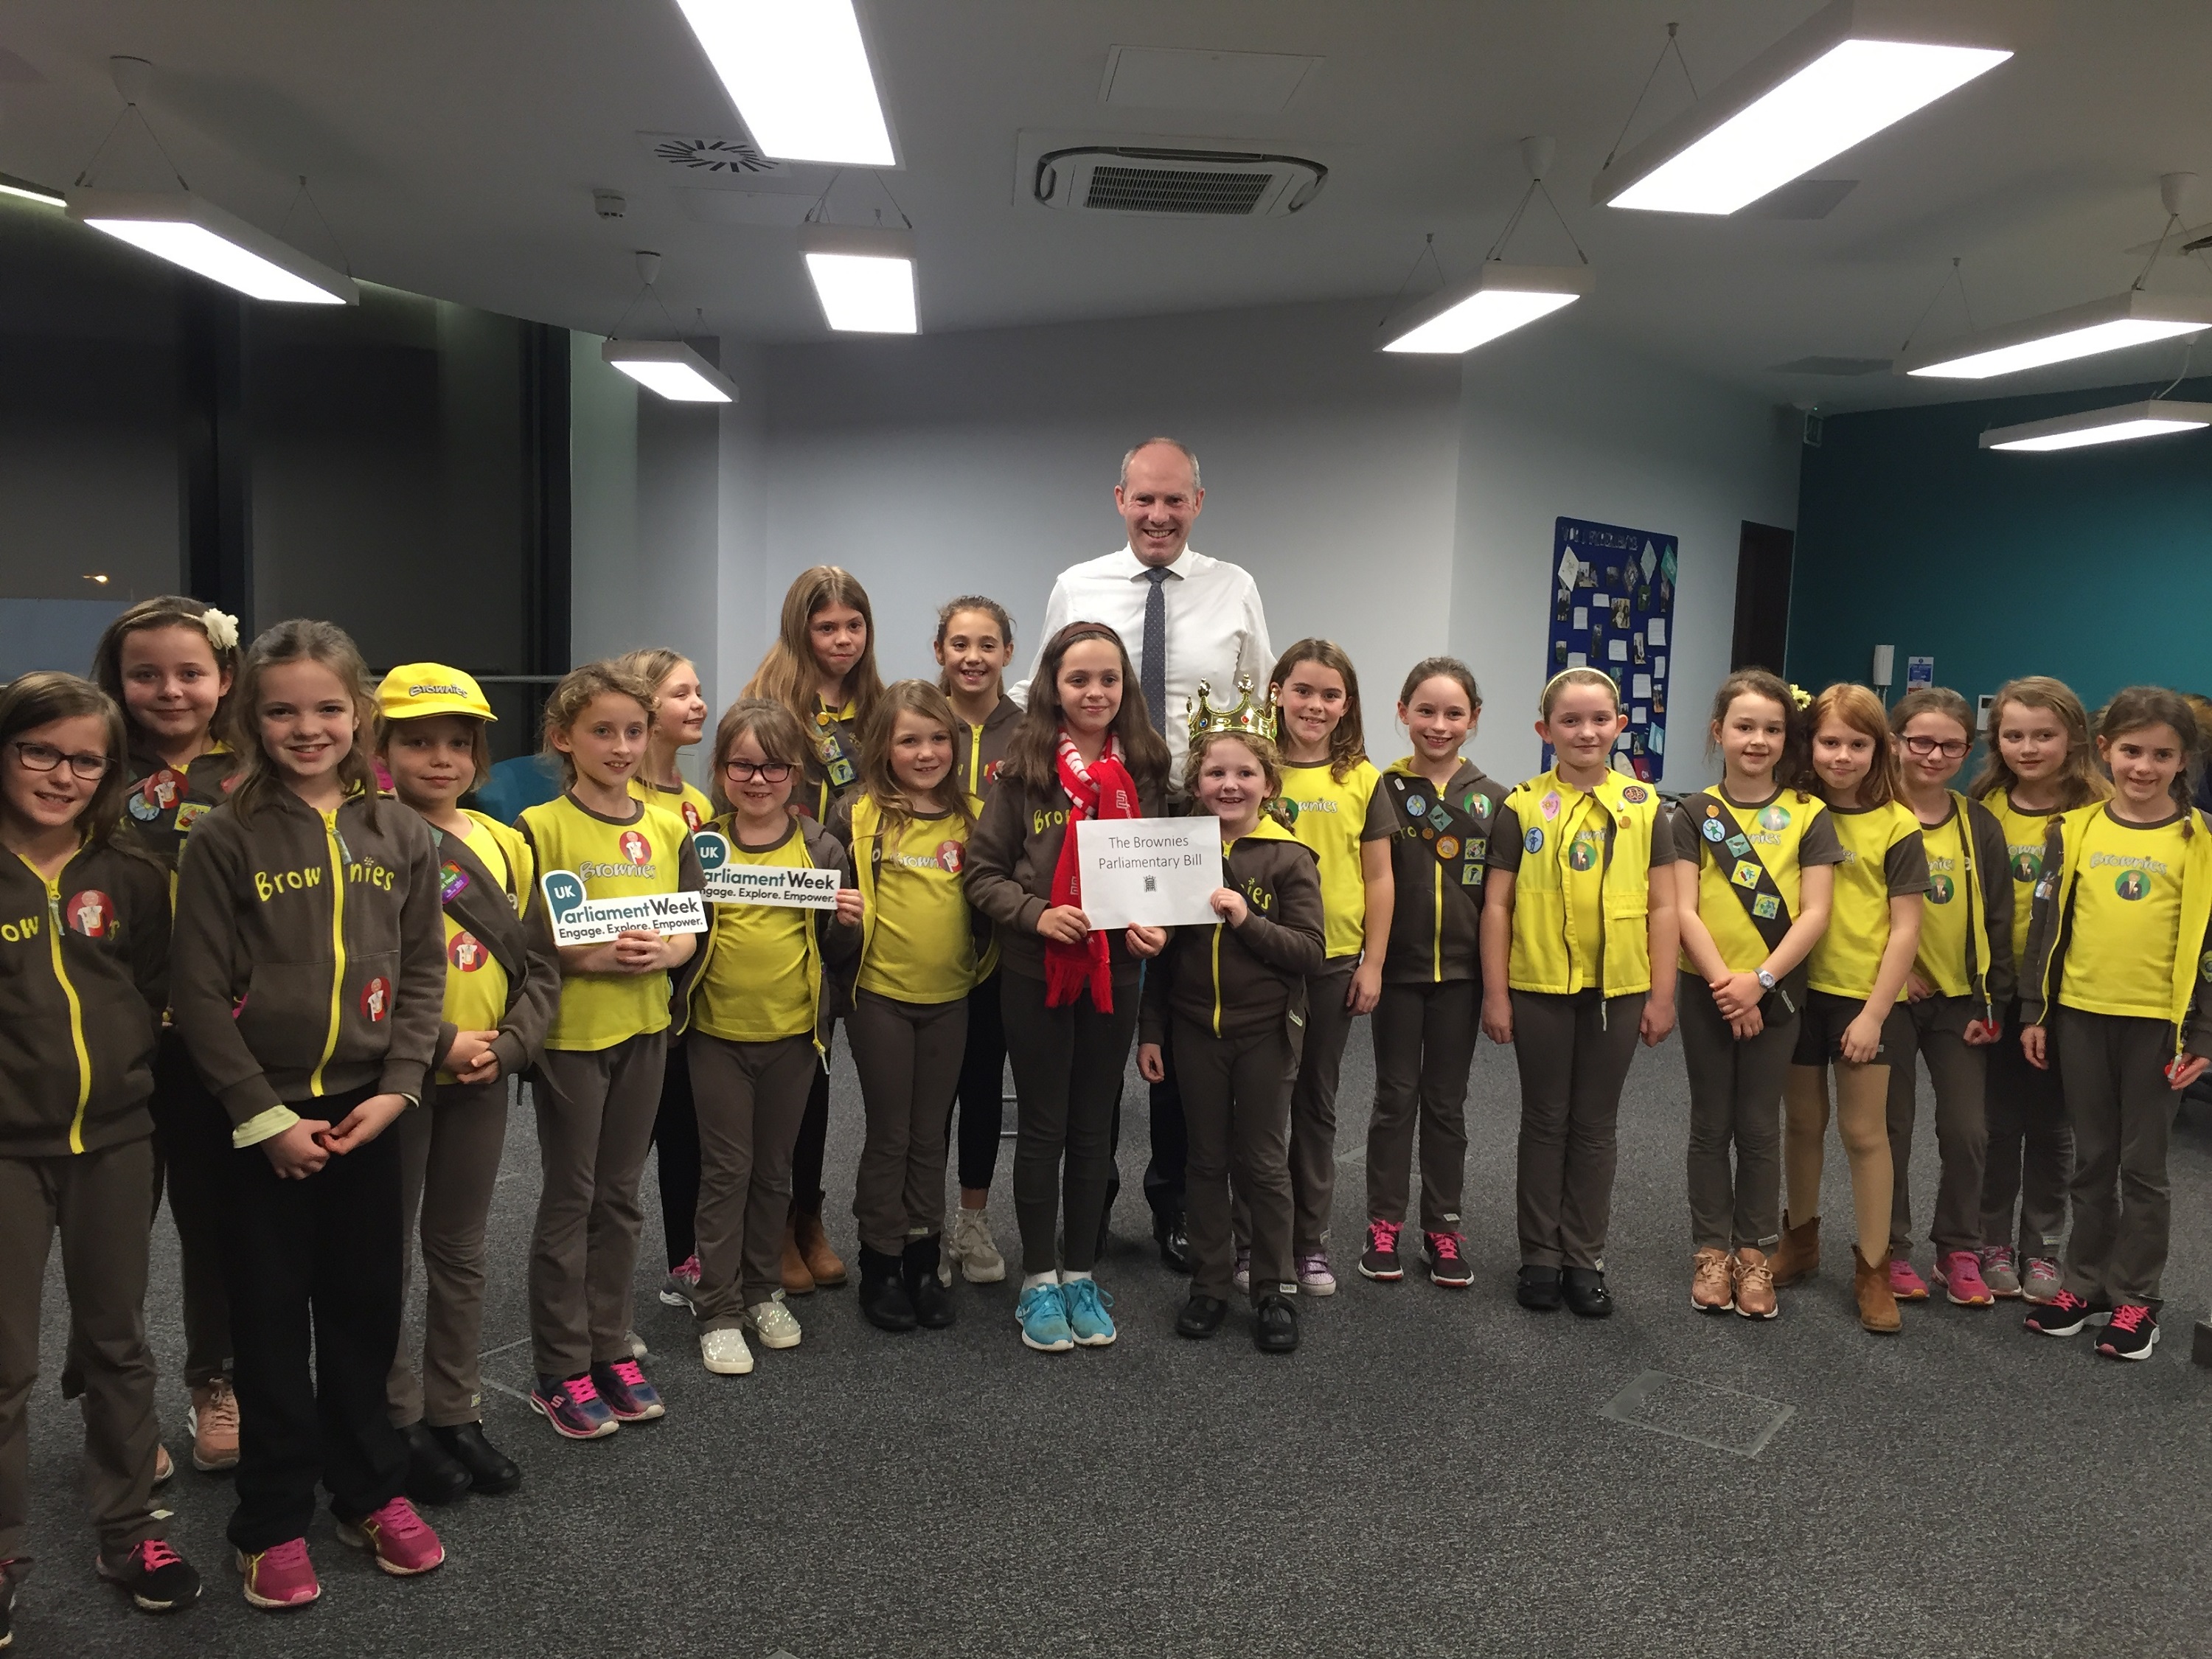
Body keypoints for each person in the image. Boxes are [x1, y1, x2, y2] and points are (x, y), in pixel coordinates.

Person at [170, 620, 448, 1610]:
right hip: (260, 1120)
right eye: (282, 708)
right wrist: (262, 1117)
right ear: (252, 716)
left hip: (372, 1107)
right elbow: (197, 994)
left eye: (328, 706)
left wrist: (400, 1086)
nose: (307, 725)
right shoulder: (223, 836)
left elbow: (424, 972)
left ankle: (367, 1489)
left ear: (359, 715)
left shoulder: (401, 832)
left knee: (368, 1306)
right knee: (271, 1322)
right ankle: (273, 1513)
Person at [1013, 439, 1273, 1266]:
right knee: (1099, 993)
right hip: (1088, 820)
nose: (1158, 516)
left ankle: (1176, 1198)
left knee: (1179, 1011)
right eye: (1144, 501)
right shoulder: (1076, 585)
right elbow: (1042, 689)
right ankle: (1093, 1193)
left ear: (1200, 502)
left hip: (1182, 819)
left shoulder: (1235, 587)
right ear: (1119, 498)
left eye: (1175, 502)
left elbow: (1254, 701)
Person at [0, 673, 201, 1625]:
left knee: (119, 1343)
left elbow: (157, 989)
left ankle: (127, 1529)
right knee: (5, 1363)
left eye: (84, 758)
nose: (61, 773)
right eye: (39, 749)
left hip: (116, 1139)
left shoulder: (129, 871)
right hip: (4, 1152)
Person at [374, 666, 557, 1503]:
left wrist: (512, 1046)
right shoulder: (360, 839)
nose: (440, 759)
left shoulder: (506, 841)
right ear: (382, 748)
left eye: (457, 743)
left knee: (460, 1249)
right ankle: (395, 1411)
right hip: (393, 1074)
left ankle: (456, 1408)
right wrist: (441, 1042)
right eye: (417, 741)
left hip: (485, 1072)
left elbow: (540, 964)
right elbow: (354, 975)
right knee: (383, 1253)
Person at [966, 622, 1169, 1353]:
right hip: (1036, 972)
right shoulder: (1023, 771)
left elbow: (1162, 870)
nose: (1094, 692)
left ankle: (1080, 1272)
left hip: (1118, 972)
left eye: (1108, 680)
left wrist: (1156, 923)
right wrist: (1037, 914)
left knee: (1095, 1127)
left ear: (1126, 689)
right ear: (1053, 685)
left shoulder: (1147, 769)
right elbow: (982, 874)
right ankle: (1039, 1281)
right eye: (1079, 679)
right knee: (1045, 1126)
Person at [515, 664, 703, 1438]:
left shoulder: (667, 826)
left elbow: (691, 923)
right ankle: (559, 1368)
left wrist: (666, 954)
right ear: (566, 738)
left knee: (621, 1197)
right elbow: (529, 941)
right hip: (570, 1039)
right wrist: (589, 960)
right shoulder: (539, 827)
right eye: (603, 731)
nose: (622, 746)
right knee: (573, 1198)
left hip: (646, 1030)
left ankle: (609, 1346)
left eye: (633, 730)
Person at [90, 595, 243, 1475]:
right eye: (146, 673)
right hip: (113, 1033)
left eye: (191, 672)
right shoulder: (91, 765)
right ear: (116, 680)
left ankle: (213, 1381)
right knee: (110, 1232)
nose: (170, 690)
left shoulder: (254, 772)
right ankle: (117, 1406)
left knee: (214, 1221)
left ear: (224, 678)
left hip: (224, 1036)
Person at [2019, 688, 2212, 1360]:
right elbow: (2047, 931)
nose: (2144, 767)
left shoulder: (2203, 841)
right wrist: (2035, 1012)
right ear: (2105, 750)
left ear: (2184, 759)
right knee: (2092, 1160)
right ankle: (2084, 1283)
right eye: (2131, 751)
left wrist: (2204, 1038)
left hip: (2160, 1029)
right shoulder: (2073, 831)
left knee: (2144, 1167)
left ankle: (2137, 1300)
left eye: (2162, 755)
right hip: (2079, 1016)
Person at [1481, 668, 1678, 1318]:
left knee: (1594, 1126)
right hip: (1538, 984)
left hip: (1618, 988)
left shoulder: (1649, 808)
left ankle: (1584, 1257)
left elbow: (1665, 907)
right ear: (1545, 731)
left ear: (1621, 725)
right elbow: (1498, 906)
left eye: (1599, 719)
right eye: (1570, 721)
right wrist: (1497, 994)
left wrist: (1663, 995)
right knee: (1543, 1121)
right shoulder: (1519, 806)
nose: (1586, 732)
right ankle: (1539, 1254)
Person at [684, 700, 860, 1375]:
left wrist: (848, 923)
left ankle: (762, 1290)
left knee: (775, 1171)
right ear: (723, 770)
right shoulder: (701, 844)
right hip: (716, 1036)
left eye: (774, 767)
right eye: (743, 765)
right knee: (726, 1173)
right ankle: (719, 1306)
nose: (759, 780)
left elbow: (837, 954)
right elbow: (684, 932)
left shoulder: (820, 847)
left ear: (797, 774)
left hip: (794, 1039)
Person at [1140, 723, 1323, 1352]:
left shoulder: (1289, 858)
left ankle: (1273, 1288)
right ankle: (1211, 1284)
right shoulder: (1178, 852)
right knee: (1205, 1161)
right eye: (1216, 773)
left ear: (1268, 785)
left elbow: (1310, 952)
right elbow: (1161, 960)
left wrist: (1248, 918)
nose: (1230, 784)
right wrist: (1151, 1033)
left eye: (1245, 773)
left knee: (1265, 1164)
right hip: (1195, 1033)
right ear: (1196, 784)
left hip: (1265, 1036)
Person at [1672, 669, 1840, 1321]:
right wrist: (1726, 987)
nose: (1757, 740)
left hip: (1778, 994)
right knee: (1710, 1123)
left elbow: (1815, 912)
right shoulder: (1692, 812)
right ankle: (1710, 1250)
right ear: (1719, 733)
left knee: (1759, 1126)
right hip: (1707, 990)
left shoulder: (1808, 814)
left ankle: (1754, 1254)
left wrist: (1759, 983)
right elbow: (1683, 909)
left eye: (1772, 729)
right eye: (1744, 727)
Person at [1234, 639, 1394, 1296]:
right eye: (1302, 690)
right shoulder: (1250, 768)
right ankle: (1252, 1244)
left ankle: (1309, 1243)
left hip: (1331, 962)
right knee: (1258, 1105)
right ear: (1276, 692)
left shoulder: (1360, 777)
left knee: (1315, 1102)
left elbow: (1380, 878)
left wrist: (1374, 962)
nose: (1315, 705)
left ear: (1346, 705)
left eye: (1330, 695)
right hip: (1256, 958)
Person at [744, 566, 886, 1294]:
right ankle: (774, 1226)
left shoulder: (879, 707)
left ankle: (809, 1216)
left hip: (862, 906)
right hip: (786, 902)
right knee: (792, 1070)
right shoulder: (770, 704)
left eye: (852, 626)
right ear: (800, 629)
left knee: (824, 1076)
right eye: (826, 627)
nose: (841, 640)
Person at [1773, 685, 1927, 1334]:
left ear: (1879, 750)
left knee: (1865, 1134)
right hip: (1797, 993)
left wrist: (1872, 1014)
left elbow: (1905, 931)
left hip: (1865, 1000)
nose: (1842, 755)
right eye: (1829, 742)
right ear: (1810, 745)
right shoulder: (1796, 812)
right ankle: (1800, 1241)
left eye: (1857, 744)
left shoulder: (1898, 823)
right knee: (1802, 1124)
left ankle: (1872, 1268)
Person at [833, 681, 982, 1332]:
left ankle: (925, 1256)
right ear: (883, 747)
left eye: (938, 738)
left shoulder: (975, 814)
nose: (926, 753)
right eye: (909, 740)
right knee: (891, 1133)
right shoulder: (858, 815)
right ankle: (882, 1260)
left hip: (952, 996)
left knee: (930, 1134)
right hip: (881, 999)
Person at [1360, 658, 1501, 1290]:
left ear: (1474, 720)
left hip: (1464, 977)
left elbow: (1503, 901)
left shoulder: (1498, 801)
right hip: (1397, 971)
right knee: (1394, 1099)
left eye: (1453, 713)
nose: (1438, 725)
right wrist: (1374, 962)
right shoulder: (1380, 789)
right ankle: (1382, 1223)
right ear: (1402, 712)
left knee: (1446, 1104)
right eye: (1425, 711)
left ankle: (1443, 1227)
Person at [1969, 676, 2107, 1303]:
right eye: (2014, 735)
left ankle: (2042, 1246)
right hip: (1995, 991)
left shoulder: (2096, 813)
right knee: (1997, 1122)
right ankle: (1991, 1236)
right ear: (1996, 740)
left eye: (2044, 735)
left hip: (2062, 997)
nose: (2029, 747)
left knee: (2052, 1127)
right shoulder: (1982, 806)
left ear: (2073, 737)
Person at [1885, 687, 2012, 1308]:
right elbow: (1851, 912)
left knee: (1968, 1132)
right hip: (1889, 999)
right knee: (1892, 1129)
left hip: (1962, 1004)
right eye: (1921, 741)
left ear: (1968, 749)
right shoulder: (1874, 813)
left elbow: (1998, 920)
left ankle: (1958, 1248)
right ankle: (1890, 1249)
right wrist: (1892, 973)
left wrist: (1995, 1004)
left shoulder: (1976, 823)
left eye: (1951, 745)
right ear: (1896, 742)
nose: (1934, 755)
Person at [613, 649, 715, 1317]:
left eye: (699, 690)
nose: (699, 703)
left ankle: (685, 1260)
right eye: (683, 693)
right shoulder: (619, 797)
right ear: (648, 709)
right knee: (621, 1155)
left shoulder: (700, 802)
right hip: (629, 1004)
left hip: (694, 1006)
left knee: (688, 1137)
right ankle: (602, 1298)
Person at [933, 597, 1020, 1284]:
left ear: (1007, 655)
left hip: (998, 936)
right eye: (959, 643)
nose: (972, 657)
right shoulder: (914, 720)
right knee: (923, 1092)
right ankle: (920, 1221)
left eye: (986, 644)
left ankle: (973, 1221)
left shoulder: (1030, 733)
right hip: (922, 933)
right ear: (939, 651)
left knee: (982, 1083)